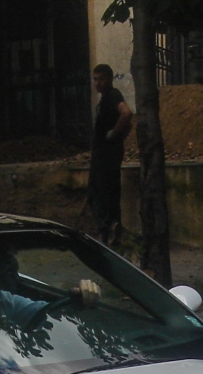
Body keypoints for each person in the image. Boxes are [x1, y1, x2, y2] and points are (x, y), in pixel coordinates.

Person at [88, 64, 133, 245]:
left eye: (101, 79)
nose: (97, 83)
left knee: (98, 192)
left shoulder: (113, 95)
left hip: (106, 155)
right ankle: (111, 230)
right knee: (107, 192)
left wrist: (113, 134)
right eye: (95, 79)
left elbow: (127, 113)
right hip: (104, 153)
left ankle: (108, 226)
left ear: (109, 79)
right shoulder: (105, 99)